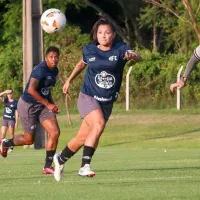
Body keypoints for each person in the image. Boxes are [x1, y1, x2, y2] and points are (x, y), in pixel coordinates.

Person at [53, 18, 142, 182]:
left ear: (113, 34)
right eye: (100, 32)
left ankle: (60, 159)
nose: (103, 35)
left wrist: (134, 56)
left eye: (107, 32)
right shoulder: (90, 50)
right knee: (98, 124)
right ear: (96, 34)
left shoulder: (121, 49)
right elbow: (81, 64)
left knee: (82, 138)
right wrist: (68, 80)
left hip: (107, 101)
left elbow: (139, 58)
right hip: (88, 97)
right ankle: (84, 166)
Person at [0, 46, 60, 175]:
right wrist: (47, 104)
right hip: (28, 105)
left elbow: (46, 90)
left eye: (56, 57)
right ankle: (6, 143)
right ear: (46, 58)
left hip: (42, 106)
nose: (54, 59)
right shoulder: (40, 70)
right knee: (29, 140)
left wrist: (52, 104)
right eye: (51, 57)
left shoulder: (55, 71)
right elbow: (31, 90)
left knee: (54, 132)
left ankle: (47, 167)